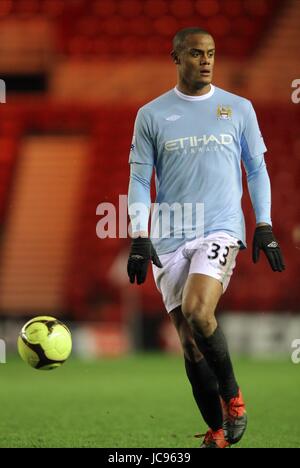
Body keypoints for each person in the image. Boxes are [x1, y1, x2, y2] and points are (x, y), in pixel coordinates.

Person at [127, 27, 285, 448]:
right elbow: (140, 179)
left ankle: (233, 397)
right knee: (189, 344)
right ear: (176, 58)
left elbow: (256, 169)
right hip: (169, 236)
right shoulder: (153, 115)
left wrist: (264, 224)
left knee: (199, 313)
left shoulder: (238, 109)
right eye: (196, 53)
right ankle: (218, 431)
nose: (206, 60)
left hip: (219, 228)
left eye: (211, 53)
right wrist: (139, 234)